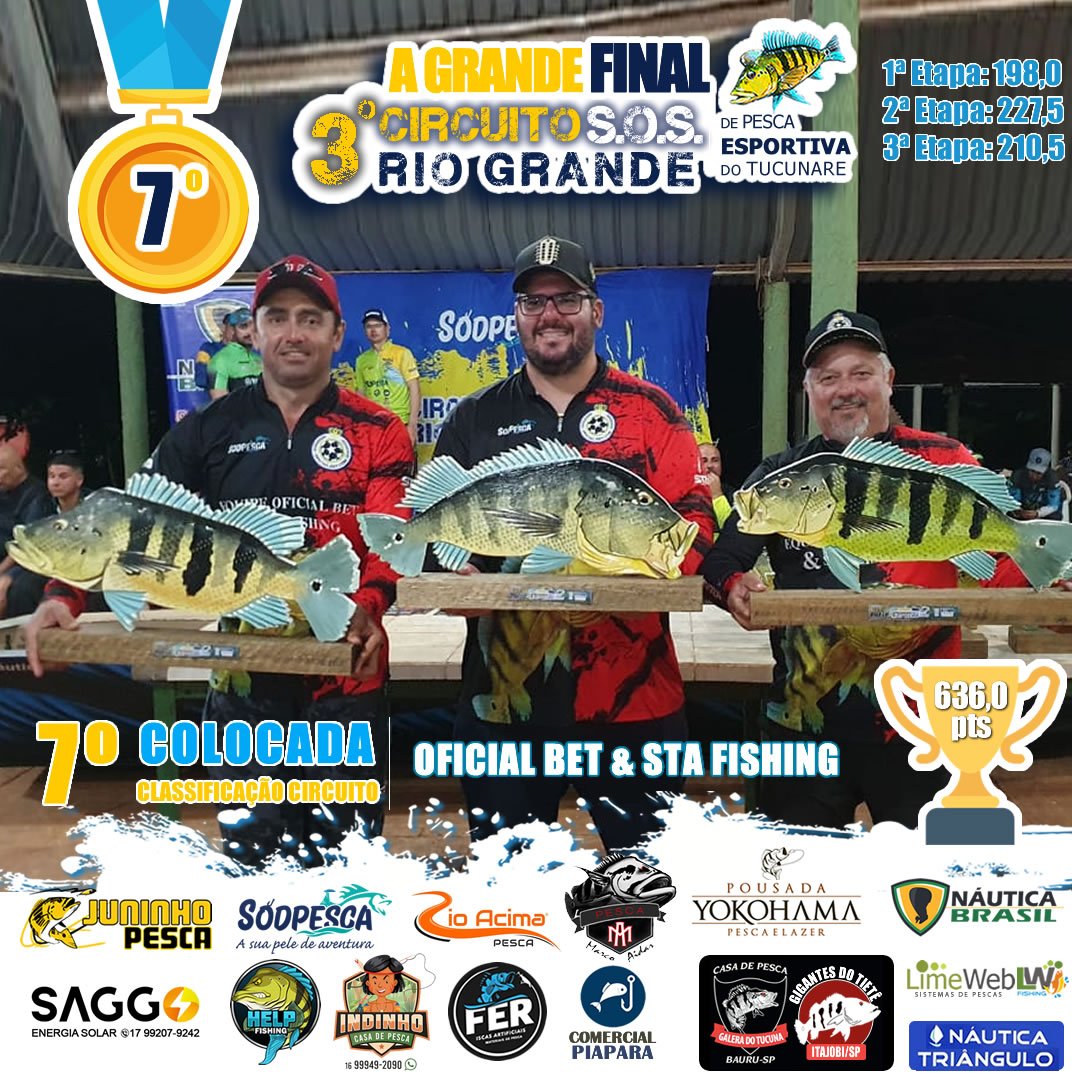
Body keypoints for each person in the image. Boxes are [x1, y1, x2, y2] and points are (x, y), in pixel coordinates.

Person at [24, 254, 415, 868]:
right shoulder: (208, 429)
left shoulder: (379, 429)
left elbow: (392, 537)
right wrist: (61, 595)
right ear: (253, 331)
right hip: (243, 681)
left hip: (347, 674)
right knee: (250, 859)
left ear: (337, 334)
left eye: (310, 318)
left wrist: (370, 605)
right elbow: (123, 519)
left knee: (348, 861)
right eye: (277, 317)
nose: (293, 333)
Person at [430, 235, 715, 851]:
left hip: (633, 704)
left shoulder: (652, 411)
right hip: (505, 706)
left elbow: (693, 524)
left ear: (596, 311)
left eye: (566, 298)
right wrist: (451, 578)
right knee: (508, 882)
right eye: (533, 302)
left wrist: (636, 573)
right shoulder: (475, 417)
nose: (549, 315)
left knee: (644, 879)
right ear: (517, 315)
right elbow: (435, 533)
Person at [702, 309, 1033, 830]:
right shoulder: (781, 478)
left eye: (861, 373)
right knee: (794, 874)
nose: (845, 390)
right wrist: (731, 584)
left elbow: (1003, 566)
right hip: (803, 724)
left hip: (921, 726)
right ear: (809, 390)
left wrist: (1056, 574)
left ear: (888, 379)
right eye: (828, 377)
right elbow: (722, 560)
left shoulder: (946, 462)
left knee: (924, 874)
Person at [0, 445, 54, 618]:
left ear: (18, 468)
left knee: (17, 590)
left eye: (1, 469)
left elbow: (27, 544)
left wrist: (3, 572)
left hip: (26, 563)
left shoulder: (37, 496)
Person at [354, 309, 422, 446]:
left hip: (400, 422)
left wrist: (412, 425)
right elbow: (360, 394)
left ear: (387, 329)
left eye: (378, 325)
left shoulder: (402, 353)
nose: (373, 330)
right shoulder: (361, 360)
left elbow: (414, 389)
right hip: (374, 424)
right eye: (369, 326)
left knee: (402, 459)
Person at [207, 307, 262, 398]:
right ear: (232, 330)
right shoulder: (220, 360)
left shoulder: (259, 359)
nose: (250, 332)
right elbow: (219, 401)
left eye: (254, 328)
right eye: (243, 326)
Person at [1008, 447, 1066, 521]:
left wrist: (1038, 513)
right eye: (1032, 471)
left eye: (1039, 473)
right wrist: (1019, 511)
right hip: (1023, 509)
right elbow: (1013, 499)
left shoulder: (1052, 478)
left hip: (1044, 512)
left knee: (1055, 516)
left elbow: (1053, 505)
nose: (1034, 476)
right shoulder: (1018, 475)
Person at [698, 439, 734, 527]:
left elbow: (732, 529)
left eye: (715, 460)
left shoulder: (733, 494)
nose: (710, 465)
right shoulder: (682, 494)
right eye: (704, 461)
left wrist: (717, 495)